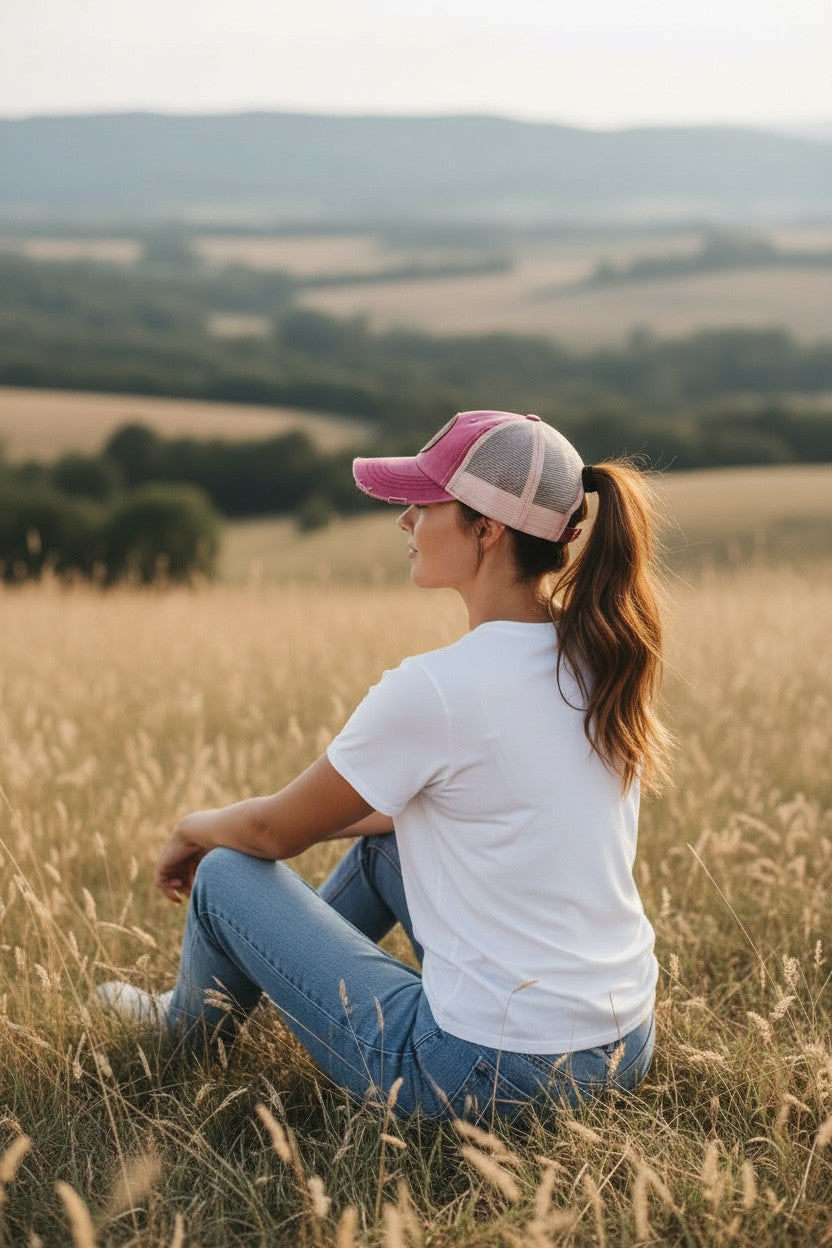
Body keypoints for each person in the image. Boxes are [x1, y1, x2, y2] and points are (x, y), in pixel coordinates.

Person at [97, 409, 671, 1123]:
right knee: (387, 844)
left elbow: (272, 835)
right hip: (622, 1045)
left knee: (225, 871)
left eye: (423, 503)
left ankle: (182, 1031)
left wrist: (192, 827)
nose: (405, 520)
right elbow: (451, 805)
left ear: (485, 529)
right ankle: (276, 983)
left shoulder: (437, 688)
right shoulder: (602, 656)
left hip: (480, 1077)